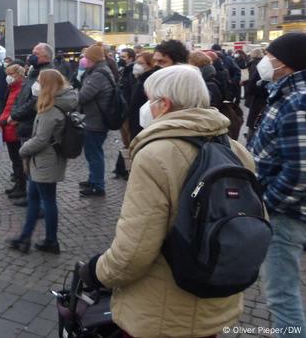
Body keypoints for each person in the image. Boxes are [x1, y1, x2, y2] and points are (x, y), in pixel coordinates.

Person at [78, 64, 255, 338]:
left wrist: (97, 272)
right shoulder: (236, 150)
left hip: (163, 310)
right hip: (216, 300)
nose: (146, 106)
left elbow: (134, 252)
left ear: (164, 104)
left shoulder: (156, 155)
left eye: (150, 100)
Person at [249, 33, 306, 337]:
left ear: (285, 62)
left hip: (286, 214)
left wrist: (270, 202)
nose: (265, 61)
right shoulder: (287, 93)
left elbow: (301, 170)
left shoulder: (298, 99)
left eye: (270, 55)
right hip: (287, 209)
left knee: (282, 296)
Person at [8, 69, 77, 254]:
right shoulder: (54, 103)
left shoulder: (51, 109)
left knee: (47, 201)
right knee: (35, 198)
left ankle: (50, 241)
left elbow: (41, 139)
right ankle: (26, 237)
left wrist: (23, 150)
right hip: (44, 161)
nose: (35, 85)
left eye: (39, 81)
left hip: (46, 161)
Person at [10, 43, 54, 206]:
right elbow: (23, 95)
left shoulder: (47, 74)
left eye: (36, 53)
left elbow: (36, 101)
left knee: (36, 166)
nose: (31, 56)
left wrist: (16, 115)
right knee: (29, 166)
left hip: (34, 124)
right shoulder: (33, 72)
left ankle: (39, 203)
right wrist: (15, 112)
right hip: (26, 123)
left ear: (45, 57)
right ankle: (32, 198)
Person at [78, 43, 115, 197]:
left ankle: (97, 185)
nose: (84, 60)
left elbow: (83, 95)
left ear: (92, 59)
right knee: (92, 152)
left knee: (94, 154)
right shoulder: (98, 71)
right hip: (95, 118)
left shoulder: (98, 74)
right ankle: (93, 179)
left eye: (86, 57)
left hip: (96, 120)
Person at [0, 64, 26, 199]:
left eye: (11, 74)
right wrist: (0, 121)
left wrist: (4, 121)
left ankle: (22, 186)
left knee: (18, 160)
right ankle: (18, 184)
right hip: (8, 127)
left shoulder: (20, 89)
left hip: (14, 128)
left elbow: (15, 110)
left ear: (18, 75)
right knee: (14, 159)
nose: (8, 77)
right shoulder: (12, 89)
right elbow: (7, 109)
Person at [127, 52, 156, 141]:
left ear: (150, 65)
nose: (136, 66)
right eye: (136, 63)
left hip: (142, 123)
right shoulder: (139, 79)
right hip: (136, 121)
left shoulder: (148, 81)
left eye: (140, 63)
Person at [245, 49, 269, 143]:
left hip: (260, 101)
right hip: (261, 100)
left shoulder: (260, 66)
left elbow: (252, 85)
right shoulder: (261, 64)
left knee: (254, 124)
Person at [117, 48, 137, 148]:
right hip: (121, 106)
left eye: (123, 57)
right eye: (120, 57)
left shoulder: (132, 71)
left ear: (131, 58)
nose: (121, 59)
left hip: (127, 107)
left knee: (129, 135)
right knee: (124, 136)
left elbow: (131, 90)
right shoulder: (121, 69)